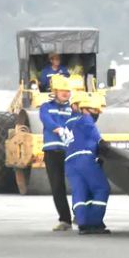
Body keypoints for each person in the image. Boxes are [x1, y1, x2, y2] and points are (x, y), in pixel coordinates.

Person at [65, 91, 111, 235]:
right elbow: (91, 130)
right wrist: (101, 143)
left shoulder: (67, 124)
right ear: (80, 107)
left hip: (70, 163)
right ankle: (95, 222)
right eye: (93, 110)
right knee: (101, 188)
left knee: (80, 192)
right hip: (85, 159)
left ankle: (83, 224)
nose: (95, 113)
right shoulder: (84, 119)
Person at [38, 75, 74, 232]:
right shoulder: (46, 107)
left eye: (68, 91)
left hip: (69, 151)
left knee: (77, 183)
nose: (66, 93)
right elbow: (47, 120)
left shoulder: (73, 109)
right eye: (62, 90)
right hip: (52, 152)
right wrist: (59, 129)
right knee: (57, 186)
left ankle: (81, 214)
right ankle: (65, 220)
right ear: (55, 91)